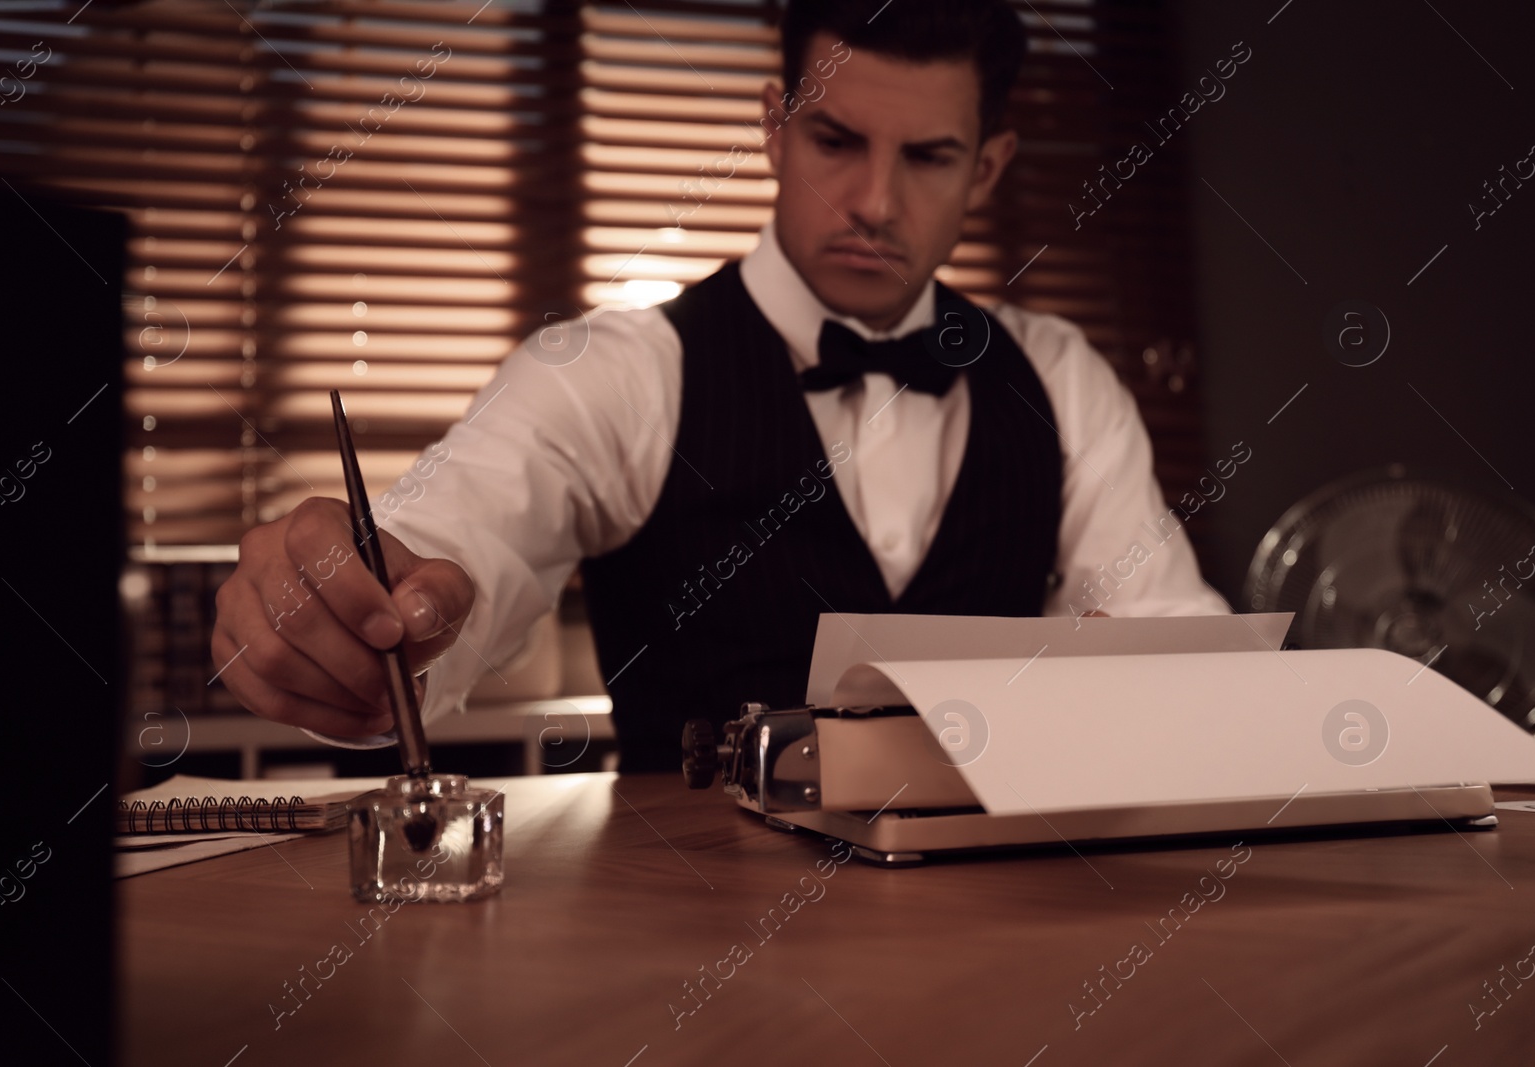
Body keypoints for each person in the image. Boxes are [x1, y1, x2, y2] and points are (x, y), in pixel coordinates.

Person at [212, 0, 1230, 773]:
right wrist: (381, 609)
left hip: (1004, 951)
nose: (875, 202)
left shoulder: (1058, 378)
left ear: (990, 169)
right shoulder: (616, 371)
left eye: (928, 157)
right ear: (775, 127)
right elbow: (466, 531)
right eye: (835, 141)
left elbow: (1176, 649)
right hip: (686, 954)